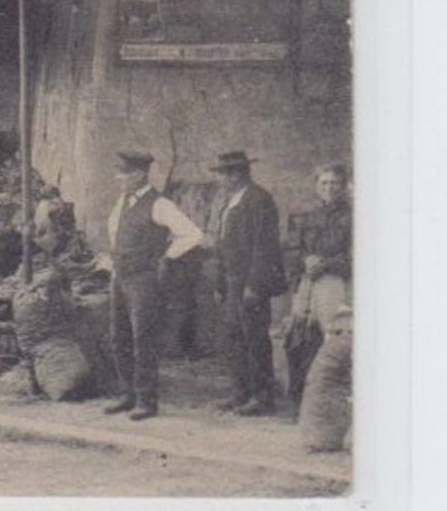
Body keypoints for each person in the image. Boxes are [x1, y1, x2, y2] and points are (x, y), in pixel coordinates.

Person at [103, 149, 205, 421]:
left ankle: (147, 401)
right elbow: (117, 237)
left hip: (144, 282)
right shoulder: (121, 202)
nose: (117, 178)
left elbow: (193, 235)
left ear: (137, 175)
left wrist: (165, 256)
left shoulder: (160, 204)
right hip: (120, 278)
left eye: (122, 173)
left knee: (142, 340)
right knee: (119, 337)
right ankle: (128, 394)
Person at [202, 150, 286, 416]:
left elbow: (265, 247)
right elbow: (223, 245)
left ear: (243, 173)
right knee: (234, 338)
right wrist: (220, 284)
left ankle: (262, 397)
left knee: (255, 338)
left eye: (231, 172)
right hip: (231, 282)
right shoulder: (229, 202)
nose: (225, 178)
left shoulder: (258, 200)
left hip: (250, 281)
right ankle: (240, 393)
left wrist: (254, 285)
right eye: (223, 173)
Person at [283, 163, 352, 414]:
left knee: (334, 340)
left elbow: (357, 254)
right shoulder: (307, 215)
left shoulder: (352, 216)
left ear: (344, 186)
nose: (329, 188)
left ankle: (330, 404)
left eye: (334, 183)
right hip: (307, 281)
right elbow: (292, 248)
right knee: (299, 337)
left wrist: (327, 264)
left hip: (336, 282)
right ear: (316, 187)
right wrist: (305, 261)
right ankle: (300, 400)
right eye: (324, 183)